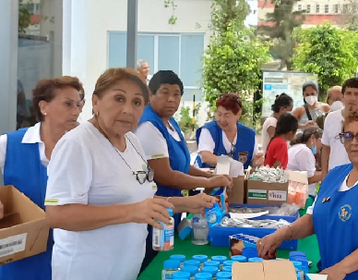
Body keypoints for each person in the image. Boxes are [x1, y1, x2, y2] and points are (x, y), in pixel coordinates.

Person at [45, 68, 215, 279]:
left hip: (126, 269)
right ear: (95, 102)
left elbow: (143, 199)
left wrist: (185, 203)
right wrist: (131, 212)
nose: (128, 110)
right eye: (118, 99)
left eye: (136, 103)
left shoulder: (132, 141)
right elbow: (57, 215)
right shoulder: (77, 144)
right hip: (87, 270)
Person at [258, 108, 358, 280]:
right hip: (336, 272)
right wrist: (284, 233)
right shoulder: (335, 175)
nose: (354, 142)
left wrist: (342, 268)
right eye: (348, 136)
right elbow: (315, 217)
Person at [134, 71, 233, 271]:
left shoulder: (170, 123)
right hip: (154, 215)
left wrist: (210, 176)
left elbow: (182, 165)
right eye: (165, 92)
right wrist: (207, 183)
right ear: (150, 95)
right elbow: (166, 175)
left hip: (172, 212)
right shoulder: (148, 126)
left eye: (177, 94)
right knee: (154, 267)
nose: (171, 99)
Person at [0, 76, 84, 280]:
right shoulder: (9, 144)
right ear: (44, 106)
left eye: (79, 105)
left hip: (73, 258)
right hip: (20, 259)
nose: (76, 111)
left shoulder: (84, 148)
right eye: (68, 104)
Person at [196, 93, 262, 171]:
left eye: (227, 115)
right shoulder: (209, 130)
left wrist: (256, 162)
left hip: (236, 178)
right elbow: (206, 156)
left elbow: (252, 160)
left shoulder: (249, 134)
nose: (222, 120)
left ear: (238, 114)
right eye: (219, 114)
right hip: (207, 176)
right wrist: (231, 163)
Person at [321, 78, 358, 176]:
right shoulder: (331, 118)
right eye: (348, 93)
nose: (352, 98)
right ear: (342, 97)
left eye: (357, 94)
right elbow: (326, 149)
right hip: (335, 176)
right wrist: (324, 177)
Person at [288, 127, 323, 201]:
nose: (321, 147)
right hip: (303, 196)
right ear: (313, 138)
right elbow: (309, 178)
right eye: (320, 141)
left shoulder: (296, 148)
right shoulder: (305, 151)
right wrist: (329, 172)